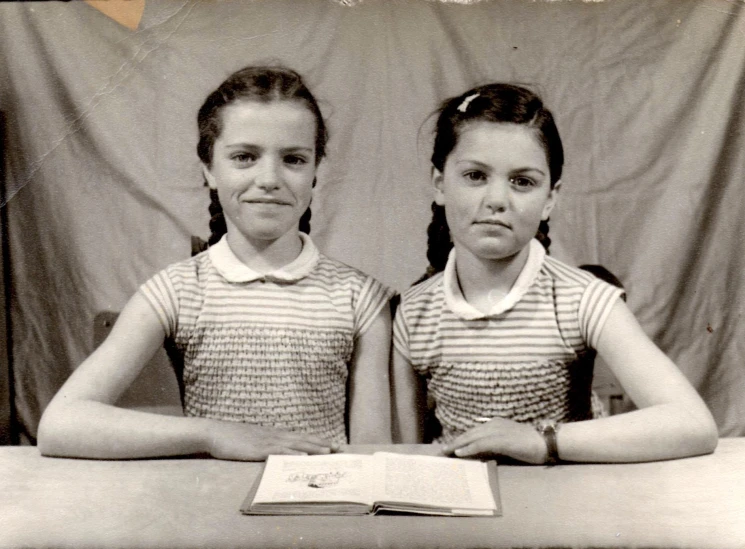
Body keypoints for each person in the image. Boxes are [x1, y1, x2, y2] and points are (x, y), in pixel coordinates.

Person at [38, 65, 394, 461]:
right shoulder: (177, 290)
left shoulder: (359, 298)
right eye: (244, 157)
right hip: (207, 511)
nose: (270, 178)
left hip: (321, 512)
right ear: (209, 168)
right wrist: (211, 434)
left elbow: (370, 454)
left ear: (314, 172)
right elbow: (60, 424)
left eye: (293, 159)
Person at [392, 83, 718, 463]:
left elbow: (693, 423)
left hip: (567, 507)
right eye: (475, 176)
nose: (496, 200)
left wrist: (543, 441)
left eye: (522, 182)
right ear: (439, 184)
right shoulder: (413, 312)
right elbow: (406, 453)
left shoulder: (583, 299)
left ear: (550, 198)